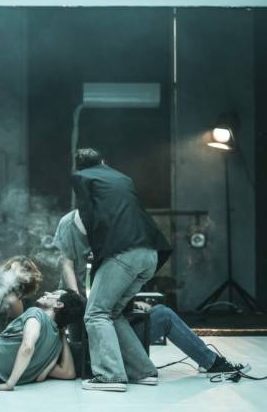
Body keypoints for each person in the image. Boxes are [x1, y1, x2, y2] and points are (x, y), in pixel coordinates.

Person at [54, 206, 248, 378]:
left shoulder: (113, 241)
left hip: (119, 332)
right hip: (100, 342)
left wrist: (130, 303)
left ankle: (212, 362)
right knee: (99, 320)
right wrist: (77, 301)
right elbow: (69, 270)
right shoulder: (65, 297)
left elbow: (117, 287)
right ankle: (122, 367)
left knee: (163, 314)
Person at [71, 148, 172, 392]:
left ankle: (110, 376)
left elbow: (88, 216)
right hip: (150, 253)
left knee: (95, 313)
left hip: (124, 254)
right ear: (103, 161)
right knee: (113, 313)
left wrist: (95, 251)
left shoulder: (81, 177)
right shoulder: (123, 178)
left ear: (79, 166)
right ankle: (143, 371)